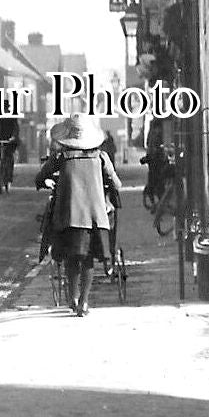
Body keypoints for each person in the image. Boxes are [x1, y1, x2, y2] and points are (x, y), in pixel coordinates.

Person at [35, 113, 122, 316]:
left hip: (68, 217)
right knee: (88, 258)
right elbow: (116, 184)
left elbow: (40, 177)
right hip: (94, 217)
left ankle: (72, 299)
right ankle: (84, 302)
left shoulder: (61, 158)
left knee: (71, 258)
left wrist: (45, 181)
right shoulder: (100, 157)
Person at [0, 115, 20, 182]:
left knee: (9, 155)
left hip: (10, 140)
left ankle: (10, 174)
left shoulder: (12, 117)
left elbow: (16, 128)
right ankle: (0, 169)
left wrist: (14, 137)